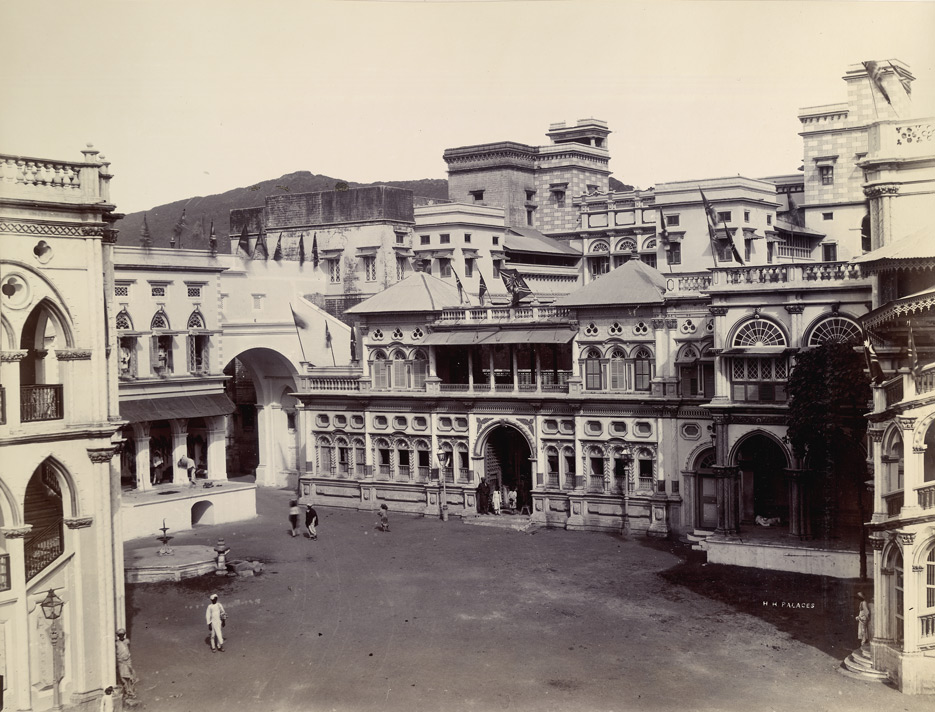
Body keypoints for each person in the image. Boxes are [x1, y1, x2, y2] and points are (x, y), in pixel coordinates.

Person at [114, 628, 137, 698]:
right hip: (121, 661)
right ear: (118, 635)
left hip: (128, 660)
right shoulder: (116, 643)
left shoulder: (127, 641)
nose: (121, 636)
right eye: (120, 635)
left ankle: (131, 691)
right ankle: (127, 691)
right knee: (122, 676)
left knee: (129, 676)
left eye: (122, 634)